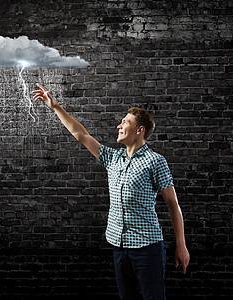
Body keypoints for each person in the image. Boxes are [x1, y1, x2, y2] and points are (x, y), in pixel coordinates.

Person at [32, 84, 190, 299]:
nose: (119, 126)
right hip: (118, 246)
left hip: (147, 248)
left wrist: (181, 245)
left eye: (124, 122)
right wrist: (56, 106)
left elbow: (173, 204)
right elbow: (82, 135)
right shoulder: (112, 158)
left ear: (139, 130)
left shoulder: (155, 162)